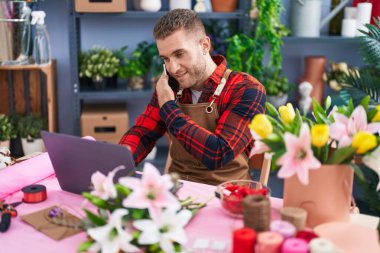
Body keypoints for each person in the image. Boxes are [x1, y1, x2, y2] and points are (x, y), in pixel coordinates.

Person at [119, 9, 266, 185]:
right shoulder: (170, 86)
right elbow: (143, 133)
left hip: (227, 197)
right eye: (165, 59)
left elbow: (219, 154)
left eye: (179, 54)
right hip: (178, 192)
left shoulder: (246, 89)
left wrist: (168, 107)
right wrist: (115, 166)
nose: (173, 68)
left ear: (204, 46)